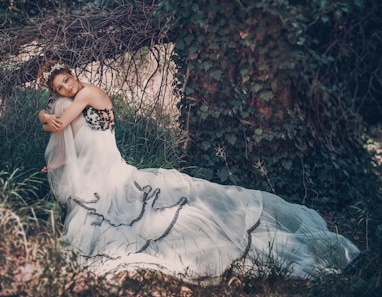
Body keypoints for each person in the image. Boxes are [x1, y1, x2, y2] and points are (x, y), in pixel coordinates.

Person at [37, 60, 360, 284]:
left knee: (145, 216)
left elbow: (60, 122)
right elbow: (69, 133)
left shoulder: (88, 93)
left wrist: (42, 114)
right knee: (99, 214)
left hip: (112, 168)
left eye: (66, 80)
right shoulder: (72, 100)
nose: (66, 87)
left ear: (73, 74)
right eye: (59, 86)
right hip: (99, 169)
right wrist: (52, 152)